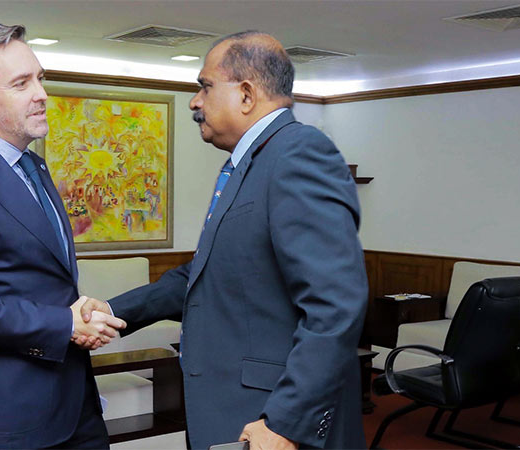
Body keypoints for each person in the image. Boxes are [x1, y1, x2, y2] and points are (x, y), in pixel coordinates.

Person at [80, 31, 368, 450]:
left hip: (271, 418)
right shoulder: (246, 163)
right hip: (236, 407)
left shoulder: (299, 154)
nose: (195, 101)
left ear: (247, 94)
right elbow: (205, 274)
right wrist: (111, 310)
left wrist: (285, 422)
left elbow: (336, 303)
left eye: (205, 86)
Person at [0, 23, 125, 449]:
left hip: (76, 401)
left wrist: (76, 316)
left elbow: (39, 275)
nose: (42, 93)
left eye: (40, 78)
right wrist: (62, 322)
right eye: (21, 83)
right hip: (10, 416)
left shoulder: (34, 166)